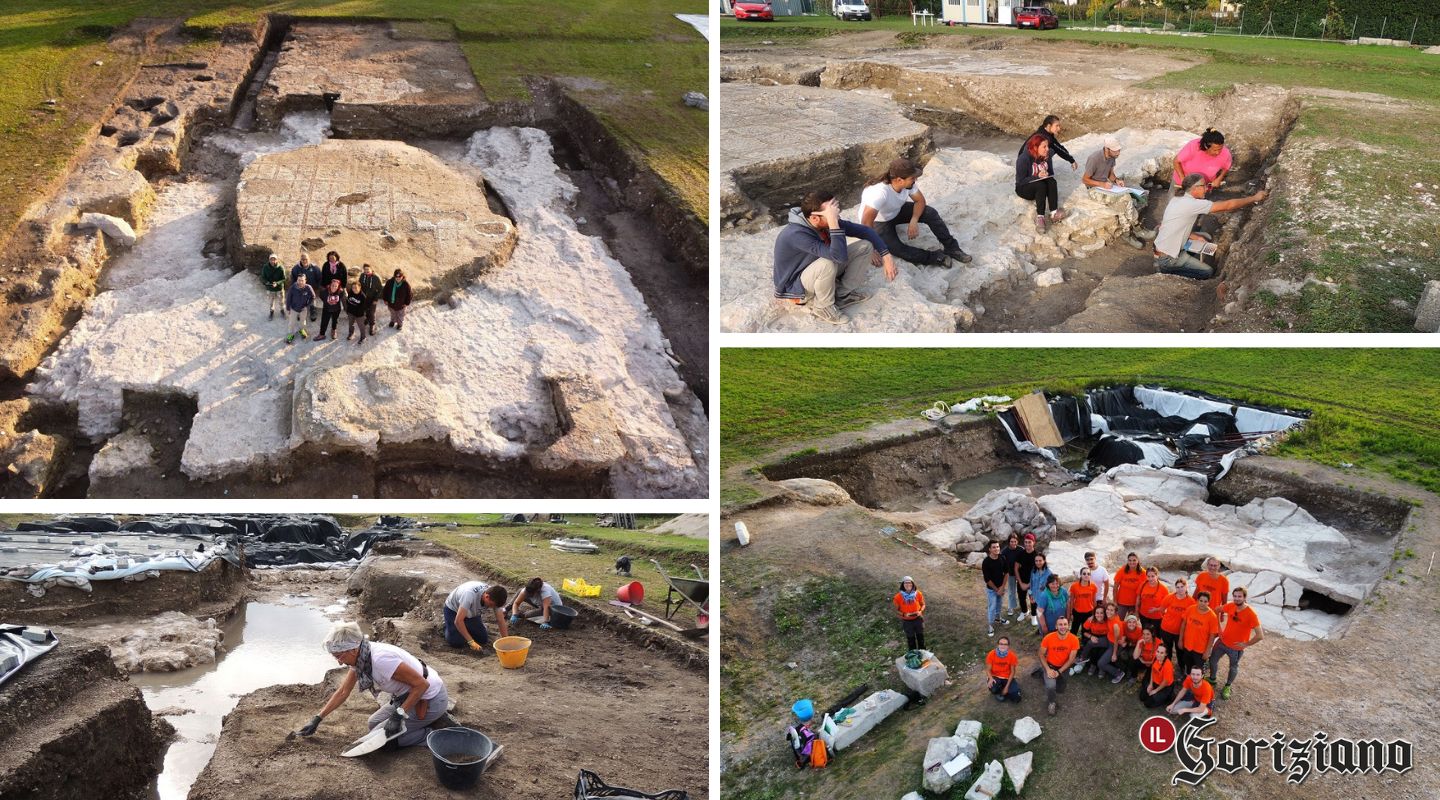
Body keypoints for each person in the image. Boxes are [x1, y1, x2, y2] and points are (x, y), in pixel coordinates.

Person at [297, 621, 448, 748]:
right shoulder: (361, 657)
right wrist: (318, 718)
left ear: (353, 649)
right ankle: (414, 726)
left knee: (386, 742)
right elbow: (343, 691)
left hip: (431, 698)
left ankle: (433, 736)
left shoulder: (380, 660)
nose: (339, 662)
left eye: (339, 656)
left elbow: (422, 685)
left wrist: (398, 716)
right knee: (373, 723)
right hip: (406, 696)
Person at [772, 191, 895, 325]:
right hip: (797, 286)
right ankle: (823, 306)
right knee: (829, 262)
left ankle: (842, 295)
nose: (837, 215)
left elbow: (865, 231)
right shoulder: (796, 234)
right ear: (815, 218)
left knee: (864, 247)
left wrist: (886, 255)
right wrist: (833, 223)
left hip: (814, 269)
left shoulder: (821, 222)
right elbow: (839, 257)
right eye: (832, 213)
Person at [859, 157, 971, 268]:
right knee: (897, 249)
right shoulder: (879, 193)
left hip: (895, 211)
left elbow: (920, 201)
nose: (915, 180)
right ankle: (935, 257)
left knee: (930, 213)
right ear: (899, 180)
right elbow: (866, 222)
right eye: (912, 178)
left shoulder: (908, 184)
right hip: (879, 221)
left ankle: (952, 248)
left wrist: (914, 220)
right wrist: (870, 248)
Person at [1153, 173, 1267, 279]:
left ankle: (1169, 264)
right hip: (1168, 258)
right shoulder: (1193, 204)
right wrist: (1254, 198)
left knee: (1205, 236)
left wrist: (1195, 237)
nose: (1207, 189)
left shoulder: (1176, 200)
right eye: (1204, 186)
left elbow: (1172, 225)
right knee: (1207, 272)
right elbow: (1227, 205)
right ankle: (1166, 273)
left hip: (1162, 249)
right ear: (1195, 188)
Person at [1082, 137, 1156, 249]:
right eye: (1115, 150)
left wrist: (1116, 180)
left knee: (1124, 202)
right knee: (1125, 198)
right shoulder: (1094, 158)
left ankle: (1131, 231)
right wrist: (1102, 185)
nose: (1118, 153)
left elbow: (1110, 173)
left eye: (1119, 150)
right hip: (1094, 189)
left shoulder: (1112, 157)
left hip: (1105, 186)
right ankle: (1136, 229)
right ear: (1107, 149)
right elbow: (1085, 180)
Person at [1210, 587, 1263, 700]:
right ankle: (1212, 679)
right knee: (1212, 660)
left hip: (1235, 648)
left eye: (1239, 596)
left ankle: (1227, 686)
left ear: (1244, 597)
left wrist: (1246, 644)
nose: (1237, 598)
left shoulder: (1251, 614)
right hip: (1222, 641)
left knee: (1233, 667)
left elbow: (1260, 635)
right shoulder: (1230, 605)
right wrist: (1219, 628)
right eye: (1235, 596)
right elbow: (1217, 610)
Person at [1015, 134, 1065, 232]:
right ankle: (1040, 218)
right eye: (1044, 147)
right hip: (1023, 188)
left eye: (1047, 146)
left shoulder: (1047, 155)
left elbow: (1051, 172)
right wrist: (1037, 176)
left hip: (1038, 184)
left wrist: (1046, 173)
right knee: (1040, 185)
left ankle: (1054, 213)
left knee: (1052, 181)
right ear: (1035, 147)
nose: (1047, 149)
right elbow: (1021, 181)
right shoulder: (1023, 158)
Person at [442, 580, 510, 651]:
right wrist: (471, 641)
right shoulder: (469, 595)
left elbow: (500, 620)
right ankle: (447, 626)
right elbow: (458, 621)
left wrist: (506, 641)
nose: (492, 607)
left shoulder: (495, 597)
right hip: (453, 611)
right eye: (491, 605)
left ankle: (464, 626)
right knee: (456, 642)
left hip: (471, 614)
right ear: (487, 596)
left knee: (483, 639)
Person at [1036, 616, 1080, 716]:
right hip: (1050, 666)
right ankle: (1052, 703)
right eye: (1060, 624)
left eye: (1065, 624)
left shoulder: (1074, 639)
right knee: (1051, 686)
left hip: (1064, 667)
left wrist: (1059, 671)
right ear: (1056, 626)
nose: (1063, 627)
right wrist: (1047, 669)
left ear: (1068, 626)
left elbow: (1071, 659)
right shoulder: (1048, 637)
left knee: (1061, 690)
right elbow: (1041, 654)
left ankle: (1042, 673)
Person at [1171, 128, 1232, 194]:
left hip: (1203, 188)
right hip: (1181, 184)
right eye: (1214, 150)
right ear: (1206, 146)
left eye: (1220, 149)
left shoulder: (1225, 152)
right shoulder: (1193, 146)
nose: (1218, 152)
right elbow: (1176, 161)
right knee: (1174, 203)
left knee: (1198, 204)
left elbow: (1226, 167)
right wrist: (1183, 180)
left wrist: (1219, 178)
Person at [1177, 590, 1221, 677]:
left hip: (1200, 649)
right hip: (1188, 646)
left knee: (1198, 670)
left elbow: (1212, 635)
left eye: (1205, 601)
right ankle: (1188, 680)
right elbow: (1183, 625)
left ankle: (1197, 685)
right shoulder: (1191, 609)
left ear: (1208, 602)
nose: (1202, 603)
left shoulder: (1212, 616)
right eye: (1201, 600)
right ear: (1197, 600)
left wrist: (1207, 651)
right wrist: (1180, 640)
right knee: (1188, 665)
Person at [1099, 614, 1143, 685]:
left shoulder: (1139, 630)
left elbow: (1140, 643)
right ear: (1126, 622)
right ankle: (1123, 670)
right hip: (1124, 644)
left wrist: (1128, 643)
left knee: (1132, 656)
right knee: (1121, 655)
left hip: (1134, 646)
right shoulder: (1123, 624)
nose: (1131, 624)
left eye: (1134, 622)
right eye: (1129, 622)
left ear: (1136, 623)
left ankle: (1131, 672)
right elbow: (1115, 622)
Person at [1158, 578, 1195, 656]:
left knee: (1180, 651)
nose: (1180, 589)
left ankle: (1181, 667)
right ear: (1175, 588)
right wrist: (1166, 619)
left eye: (1182, 586)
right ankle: (1167, 666)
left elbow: (1191, 617)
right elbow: (1162, 610)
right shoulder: (1169, 597)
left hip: (1180, 632)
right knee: (1167, 650)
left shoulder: (1191, 602)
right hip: (1166, 629)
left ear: (1186, 587)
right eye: (1178, 587)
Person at [1074, 603, 1113, 676]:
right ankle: (1093, 665)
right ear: (1094, 614)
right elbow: (1084, 632)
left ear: (1105, 614)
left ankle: (1102, 669)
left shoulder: (1109, 621)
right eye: (1097, 613)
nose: (1099, 615)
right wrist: (1091, 636)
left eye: (1101, 613)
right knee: (1094, 649)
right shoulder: (1090, 620)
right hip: (1092, 636)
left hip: (1105, 638)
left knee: (1102, 651)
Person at [981, 539, 1008, 637]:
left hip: (1001, 587)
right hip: (992, 590)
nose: (996, 549)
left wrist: (1002, 587)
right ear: (989, 549)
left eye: (997, 547)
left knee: (999, 605)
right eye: (994, 547)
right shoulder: (986, 562)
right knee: (992, 607)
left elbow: (1007, 573)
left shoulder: (1002, 558)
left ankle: (998, 618)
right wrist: (997, 590)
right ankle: (990, 626)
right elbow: (987, 579)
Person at [893, 576, 927, 651]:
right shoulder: (897, 597)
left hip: (918, 619)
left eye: (909, 583)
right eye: (905, 583)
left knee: (921, 638)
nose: (908, 585)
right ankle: (913, 656)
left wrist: (920, 611)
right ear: (902, 585)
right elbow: (896, 610)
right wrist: (904, 614)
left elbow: (923, 604)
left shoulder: (918, 594)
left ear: (913, 584)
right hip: (907, 622)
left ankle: (923, 654)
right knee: (911, 640)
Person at [1139, 643, 1177, 709]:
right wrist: (1151, 684)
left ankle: (1168, 697)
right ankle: (1158, 696)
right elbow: (1153, 671)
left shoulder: (1168, 665)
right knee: (1142, 697)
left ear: (1166, 654)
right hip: (1156, 682)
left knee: (1148, 704)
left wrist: (1155, 690)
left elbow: (1165, 682)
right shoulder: (1155, 658)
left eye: (1162, 653)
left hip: (1165, 686)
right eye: (1158, 651)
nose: (1158, 654)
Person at [1014, 534, 1040, 627]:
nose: (1027, 544)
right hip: (1021, 581)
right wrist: (1020, 582)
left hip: (1033, 583)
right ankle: (1024, 611)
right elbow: (1016, 568)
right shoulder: (1020, 554)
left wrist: (1029, 584)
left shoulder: (1037, 556)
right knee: (1021, 598)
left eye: (1029, 542)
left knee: (1033, 600)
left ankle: (1033, 615)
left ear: (1034, 543)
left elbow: (1039, 572)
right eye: (1025, 542)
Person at [986, 636, 1021, 702]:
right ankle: (1000, 692)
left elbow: (1012, 672)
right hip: (995, 676)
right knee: (993, 689)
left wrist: (1007, 687)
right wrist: (990, 678)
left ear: (1008, 646)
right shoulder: (991, 654)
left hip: (1007, 677)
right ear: (998, 645)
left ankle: (1008, 690)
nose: (1003, 646)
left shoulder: (1012, 656)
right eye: (1001, 644)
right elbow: (988, 669)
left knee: (1016, 699)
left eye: (1005, 644)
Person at [1137, 566, 1171, 633]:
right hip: (1143, 615)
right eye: (1148, 576)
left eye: (1152, 576)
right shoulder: (1143, 585)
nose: (1150, 578)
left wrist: (1156, 609)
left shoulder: (1163, 589)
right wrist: (1136, 611)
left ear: (1157, 575)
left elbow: (1167, 605)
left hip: (1157, 617)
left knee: (1156, 635)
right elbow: (1138, 598)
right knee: (1145, 633)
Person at [1112, 552, 1145, 620]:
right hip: (1121, 602)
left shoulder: (1143, 572)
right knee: (1118, 621)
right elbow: (1115, 587)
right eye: (1130, 560)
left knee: (1131, 623)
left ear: (1138, 561)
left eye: (1134, 560)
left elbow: (1146, 588)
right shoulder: (1122, 570)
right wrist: (1115, 601)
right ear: (1127, 561)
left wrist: (1139, 606)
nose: (1132, 562)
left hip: (1134, 603)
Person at [1066, 566, 1099, 635]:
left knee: (1086, 630)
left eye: (1088, 574)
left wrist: (1095, 613)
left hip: (1088, 612)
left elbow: (1094, 600)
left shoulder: (1093, 586)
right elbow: (1072, 600)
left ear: (1090, 575)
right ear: (1080, 575)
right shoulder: (1074, 586)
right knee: (1074, 629)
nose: (1086, 575)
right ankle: (1073, 643)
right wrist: (1071, 613)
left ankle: (1084, 643)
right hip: (1077, 612)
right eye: (1084, 574)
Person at [284, 274, 315, 345]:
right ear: (297, 280)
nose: (300, 282)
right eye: (299, 280)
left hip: (303, 309)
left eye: (302, 280)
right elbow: (288, 299)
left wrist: (307, 304)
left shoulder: (308, 288)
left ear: (305, 281)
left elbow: (313, 296)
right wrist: (288, 308)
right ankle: (290, 334)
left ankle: (301, 330)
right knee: (292, 323)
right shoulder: (293, 288)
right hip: (293, 309)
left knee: (303, 321)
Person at [290, 253, 321, 322]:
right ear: (300, 260)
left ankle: (313, 311)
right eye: (302, 259)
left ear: (309, 259)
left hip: (312, 288)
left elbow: (319, 278)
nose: (304, 261)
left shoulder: (315, 268)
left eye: (306, 259)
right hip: (300, 288)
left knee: (312, 299)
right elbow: (293, 280)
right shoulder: (296, 268)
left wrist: (317, 287)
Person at [999, 533, 1023, 619]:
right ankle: (1011, 607)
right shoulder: (1004, 551)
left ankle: (1022, 607)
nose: (1013, 543)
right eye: (1011, 541)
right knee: (1011, 590)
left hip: (1020, 574)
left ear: (1017, 541)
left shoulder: (1021, 550)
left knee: (1022, 591)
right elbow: (1001, 563)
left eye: (1015, 541)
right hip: (1010, 574)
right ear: (1009, 542)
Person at [358, 263, 383, 336]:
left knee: (372, 312)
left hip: (373, 299)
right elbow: (359, 285)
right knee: (365, 310)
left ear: (371, 269)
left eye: (368, 269)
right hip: (364, 298)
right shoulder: (362, 276)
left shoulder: (376, 277)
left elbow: (380, 289)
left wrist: (376, 299)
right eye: (365, 269)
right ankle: (367, 319)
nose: (366, 271)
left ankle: (372, 325)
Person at [261, 253, 286, 319]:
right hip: (270, 288)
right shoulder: (265, 267)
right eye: (271, 259)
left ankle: (282, 310)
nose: (273, 261)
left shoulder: (281, 268)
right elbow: (263, 277)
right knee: (271, 301)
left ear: (277, 260)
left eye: (274, 259)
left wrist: (277, 283)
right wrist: (267, 282)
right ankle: (271, 312)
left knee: (281, 301)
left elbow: (284, 278)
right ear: (269, 260)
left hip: (279, 288)